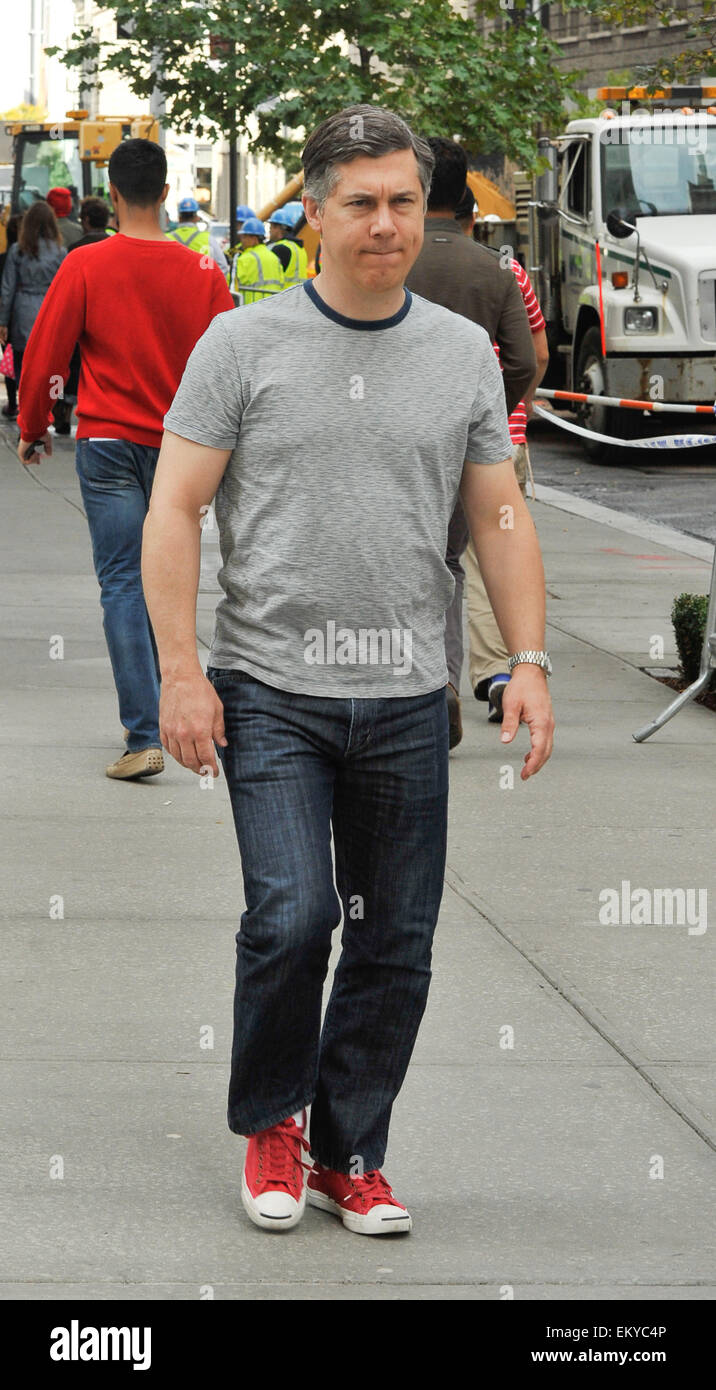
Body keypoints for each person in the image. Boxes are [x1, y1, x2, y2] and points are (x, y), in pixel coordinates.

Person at [142, 103, 554, 1237]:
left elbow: (501, 512)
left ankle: (350, 1149)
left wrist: (524, 658)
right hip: (272, 690)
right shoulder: (243, 345)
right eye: (361, 203)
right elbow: (174, 509)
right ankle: (274, 1118)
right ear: (314, 210)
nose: (385, 224)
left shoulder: (461, 353)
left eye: (403, 202)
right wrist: (182, 673)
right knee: (292, 914)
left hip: (410, 699)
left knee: (395, 939)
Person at [15, 138, 234, 780]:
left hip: (107, 443)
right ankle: (189, 706)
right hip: (182, 452)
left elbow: (47, 353)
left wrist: (33, 425)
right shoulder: (201, 274)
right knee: (178, 576)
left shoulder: (86, 264)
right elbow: (231, 363)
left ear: (111, 196)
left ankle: (143, 733)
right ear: (166, 193)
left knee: (121, 582)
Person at [405, 138, 536, 748]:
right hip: (467, 451)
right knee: (451, 568)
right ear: (465, 196)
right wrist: (487, 415)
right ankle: (445, 686)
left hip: (393, 444)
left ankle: (394, 686)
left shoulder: (387, 258)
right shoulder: (495, 269)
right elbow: (525, 359)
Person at [466, 249, 550, 720]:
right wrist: (518, 405)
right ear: (472, 217)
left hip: (420, 438)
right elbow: (535, 353)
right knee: (488, 554)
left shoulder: (398, 261)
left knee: (431, 560)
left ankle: (434, 679)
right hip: (503, 436)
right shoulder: (509, 269)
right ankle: (501, 671)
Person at [52, 198, 115, 437]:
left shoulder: (76, 250)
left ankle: (65, 410)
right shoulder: (115, 245)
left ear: (86, 220)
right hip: (109, 318)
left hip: (82, 316)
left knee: (74, 364)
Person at [0, 200, 66, 396]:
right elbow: (65, 289)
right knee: (53, 364)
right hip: (50, 311)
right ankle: (54, 404)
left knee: (24, 362)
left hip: (23, 311)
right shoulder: (61, 252)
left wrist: (2, 321)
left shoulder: (18, 250)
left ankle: (26, 404)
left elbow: (7, 287)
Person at [165, 196, 229, 276]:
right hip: (201, 287)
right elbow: (223, 267)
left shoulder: (166, 239)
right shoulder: (208, 239)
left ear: (179, 218)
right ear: (196, 218)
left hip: (173, 287)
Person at [227, 217, 284, 303]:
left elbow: (231, 286)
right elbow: (281, 282)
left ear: (254, 239)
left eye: (244, 237)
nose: (242, 241)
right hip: (273, 306)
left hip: (250, 308)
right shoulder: (274, 257)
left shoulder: (244, 259)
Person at [0, 212, 22, 417]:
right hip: (31, 315)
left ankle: (13, 402)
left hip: (10, 317)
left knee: (10, 358)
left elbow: (4, 291)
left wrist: (2, 321)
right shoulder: (43, 255)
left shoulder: (5, 258)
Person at [267, 202, 309, 286]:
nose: (269, 231)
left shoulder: (280, 248)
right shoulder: (300, 248)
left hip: (285, 295)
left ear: (279, 228)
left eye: (271, 227)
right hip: (300, 294)